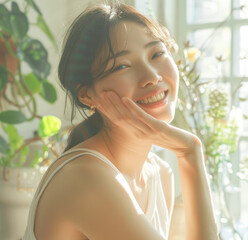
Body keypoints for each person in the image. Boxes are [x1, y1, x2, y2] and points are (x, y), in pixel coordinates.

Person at [22, 2, 218, 240]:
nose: (152, 77)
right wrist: (189, 152)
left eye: (157, 54)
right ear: (87, 94)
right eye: (122, 66)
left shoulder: (159, 173)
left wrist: (190, 153)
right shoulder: (85, 178)